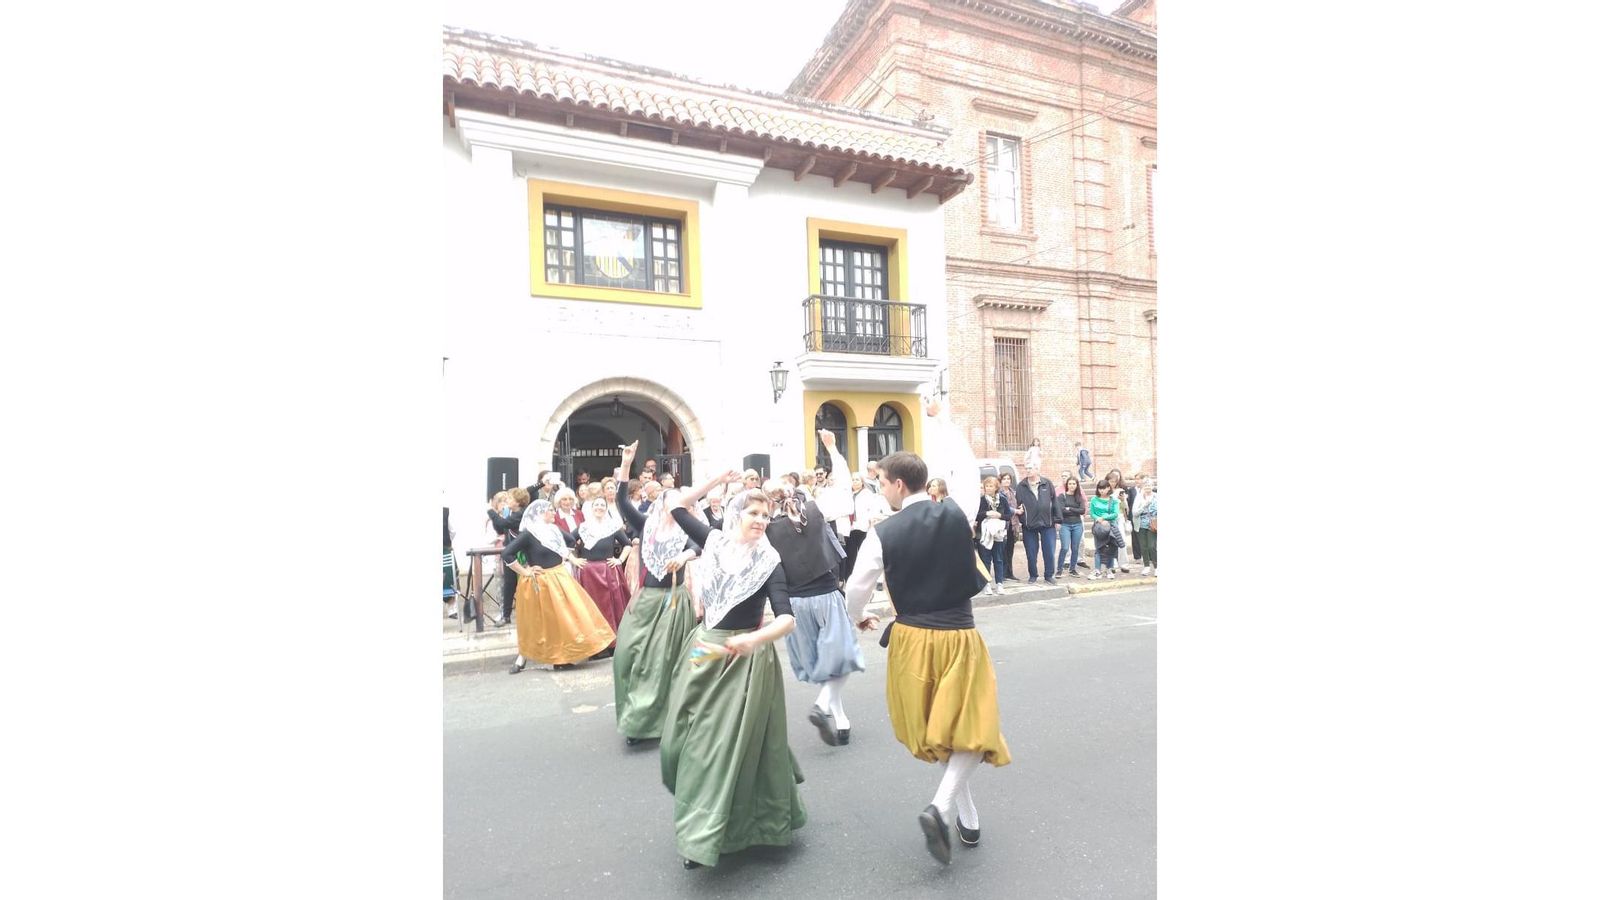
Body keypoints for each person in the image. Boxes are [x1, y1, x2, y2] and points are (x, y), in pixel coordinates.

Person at [844, 450, 1010, 866]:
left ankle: (962, 816)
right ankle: (943, 806)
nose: (880, 489)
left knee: (943, 730)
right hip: (957, 635)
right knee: (973, 725)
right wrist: (943, 423)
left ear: (899, 484)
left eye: (881, 482)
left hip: (912, 641)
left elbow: (855, 591)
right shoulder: (957, 513)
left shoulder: (881, 534)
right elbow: (970, 471)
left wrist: (859, 617)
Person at [660, 471, 805, 870]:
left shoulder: (770, 562)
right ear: (737, 513)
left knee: (724, 746)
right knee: (680, 737)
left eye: (765, 514)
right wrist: (716, 480)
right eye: (753, 512)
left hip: (745, 660)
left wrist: (752, 641)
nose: (760, 519)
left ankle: (707, 834)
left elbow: (786, 619)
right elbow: (675, 503)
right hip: (704, 651)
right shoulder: (713, 541)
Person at [764, 431, 862, 747]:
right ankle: (822, 705)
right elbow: (845, 488)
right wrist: (833, 449)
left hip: (795, 603)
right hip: (825, 596)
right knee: (844, 655)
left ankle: (842, 720)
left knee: (823, 662)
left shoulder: (765, 527)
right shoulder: (816, 511)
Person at [612, 442, 703, 745]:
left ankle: (648, 722)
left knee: (665, 663)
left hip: (675, 601)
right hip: (647, 600)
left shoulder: (687, 528)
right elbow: (622, 503)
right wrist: (626, 465)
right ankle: (634, 711)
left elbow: (698, 545)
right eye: (667, 502)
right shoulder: (646, 525)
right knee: (626, 656)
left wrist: (686, 557)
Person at [501, 500, 616, 673]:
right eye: (550, 511)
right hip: (540, 581)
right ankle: (522, 657)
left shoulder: (554, 530)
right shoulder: (529, 533)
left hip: (559, 576)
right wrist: (525, 571)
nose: (553, 513)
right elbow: (507, 553)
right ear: (541, 513)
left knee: (567, 618)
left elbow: (570, 540)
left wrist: (564, 557)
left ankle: (562, 656)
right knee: (537, 621)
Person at [575, 497, 631, 657]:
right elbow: (567, 542)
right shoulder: (583, 528)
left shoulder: (612, 527)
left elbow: (627, 544)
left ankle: (612, 643)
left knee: (611, 607)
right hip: (589, 573)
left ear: (606, 509)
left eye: (602, 505)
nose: (599, 507)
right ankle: (595, 645)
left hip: (608, 571)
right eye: (596, 505)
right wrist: (574, 559)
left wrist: (619, 560)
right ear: (591, 509)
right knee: (592, 607)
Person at [487, 487, 530, 626]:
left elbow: (503, 523)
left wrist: (491, 511)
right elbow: (500, 528)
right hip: (511, 553)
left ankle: (529, 614)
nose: (507, 500)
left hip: (523, 555)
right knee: (509, 585)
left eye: (510, 498)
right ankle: (506, 616)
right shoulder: (511, 513)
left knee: (526, 584)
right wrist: (498, 514)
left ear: (518, 502)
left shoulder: (521, 514)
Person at [1015, 465, 1059, 584]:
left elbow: (1054, 501)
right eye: (1027, 468)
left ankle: (1049, 575)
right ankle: (1033, 575)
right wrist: (1022, 519)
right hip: (1029, 525)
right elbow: (1017, 504)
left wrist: (1057, 519)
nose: (1028, 470)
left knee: (1049, 551)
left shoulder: (1047, 483)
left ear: (1038, 470)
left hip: (1047, 523)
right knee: (1031, 552)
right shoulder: (1021, 486)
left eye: (1031, 468)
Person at [841, 473, 888, 582]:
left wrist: (871, 522)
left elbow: (872, 509)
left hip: (863, 526)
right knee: (851, 554)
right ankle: (849, 578)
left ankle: (867, 578)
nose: (855, 482)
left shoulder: (867, 494)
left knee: (864, 554)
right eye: (853, 480)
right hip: (850, 527)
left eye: (857, 480)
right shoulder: (848, 494)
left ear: (862, 482)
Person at [975, 476, 1011, 596]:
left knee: (999, 559)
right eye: (987, 486)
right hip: (984, 534)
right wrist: (986, 513)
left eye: (991, 486)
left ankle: (999, 583)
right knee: (985, 559)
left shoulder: (1003, 499)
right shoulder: (981, 500)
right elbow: (977, 516)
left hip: (998, 534)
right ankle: (986, 584)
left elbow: (1008, 516)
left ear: (996, 487)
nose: (988, 488)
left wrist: (999, 515)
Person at [1088, 479, 1122, 580]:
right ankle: (1097, 570)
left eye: (1104, 488)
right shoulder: (1094, 499)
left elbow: (1115, 514)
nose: (1102, 491)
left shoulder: (1113, 500)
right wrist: (1099, 519)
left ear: (1108, 488)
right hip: (1099, 527)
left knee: (1111, 548)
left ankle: (1109, 569)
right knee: (1098, 548)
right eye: (1100, 489)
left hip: (1111, 526)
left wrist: (1104, 518)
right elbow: (1092, 513)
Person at [1054, 475, 1087, 577]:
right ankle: (1059, 569)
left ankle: (1072, 569)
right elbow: (1061, 510)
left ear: (1077, 485)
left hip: (1077, 524)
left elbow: (1082, 510)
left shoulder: (1079, 497)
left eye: (1074, 484)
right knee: (1064, 547)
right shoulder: (1062, 496)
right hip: (1065, 525)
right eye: (1070, 484)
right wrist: (1072, 510)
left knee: (1075, 548)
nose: (1072, 486)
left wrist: (1070, 509)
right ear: (1067, 485)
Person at [1106, 469, 1134, 574]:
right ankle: (1113, 563)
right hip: (1109, 519)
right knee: (1111, 542)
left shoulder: (1120, 491)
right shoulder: (1104, 491)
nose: (1112, 483)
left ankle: (1124, 564)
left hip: (1120, 518)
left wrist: (1122, 500)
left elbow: (1125, 508)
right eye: (1111, 481)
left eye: (1114, 481)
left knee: (1122, 540)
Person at [996, 472, 1021, 582]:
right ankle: (1001, 573)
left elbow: (1016, 504)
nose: (1007, 480)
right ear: (1000, 481)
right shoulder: (998, 493)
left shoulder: (1013, 492)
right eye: (1004, 479)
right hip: (1003, 524)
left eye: (1008, 479)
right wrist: (1016, 511)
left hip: (1013, 525)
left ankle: (1009, 572)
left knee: (1010, 550)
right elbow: (1004, 508)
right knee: (1001, 550)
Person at [1133, 478, 1158, 576]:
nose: (1148, 487)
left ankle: (1156, 567)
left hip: (1153, 525)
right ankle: (1146, 566)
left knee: (1152, 546)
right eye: (1146, 485)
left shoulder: (1156, 497)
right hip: (1141, 524)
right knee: (1143, 546)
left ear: (1152, 486)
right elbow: (1134, 513)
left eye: (1149, 485)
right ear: (1143, 487)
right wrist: (1144, 505)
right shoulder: (1139, 497)